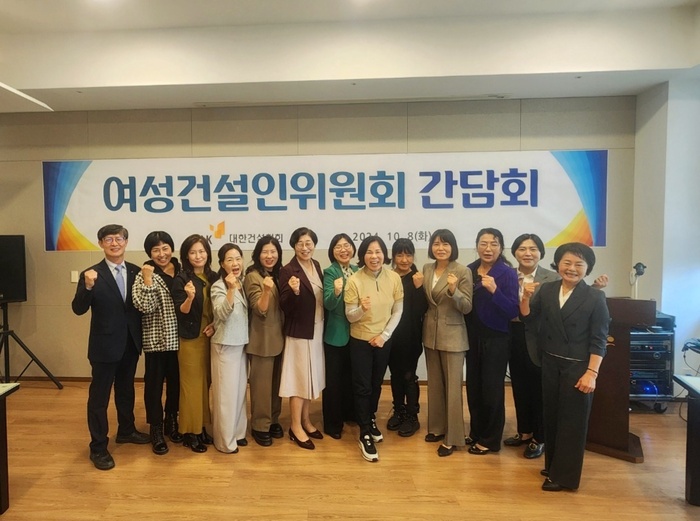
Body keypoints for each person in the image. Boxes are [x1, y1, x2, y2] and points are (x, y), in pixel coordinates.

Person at [506, 234, 608, 460]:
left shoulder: (555, 280)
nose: (527, 253)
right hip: (527, 343)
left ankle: (542, 441)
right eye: (522, 248)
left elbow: (583, 311)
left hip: (557, 350)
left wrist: (592, 372)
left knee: (551, 403)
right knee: (526, 392)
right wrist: (524, 298)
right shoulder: (515, 278)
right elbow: (527, 315)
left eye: (533, 248)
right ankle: (529, 435)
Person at [71, 224, 149, 471]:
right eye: (108, 239)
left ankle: (126, 430)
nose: (114, 243)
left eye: (119, 239)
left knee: (126, 391)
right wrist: (88, 286)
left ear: (126, 242)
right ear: (100, 243)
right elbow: (78, 308)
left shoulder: (136, 271)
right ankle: (98, 447)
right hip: (104, 346)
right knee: (99, 398)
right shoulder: (91, 274)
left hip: (130, 343)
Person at [344, 235, 404, 462]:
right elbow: (350, 317)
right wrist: (361, 309)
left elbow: (398, 310)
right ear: (363, 256)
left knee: (376, 384)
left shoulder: (394, 277)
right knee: (362, 387)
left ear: (384, 254)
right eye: (369, 252)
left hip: (382, 341)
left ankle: (370, 419)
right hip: (360, 340)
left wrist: (384, 336)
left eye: (378, 251)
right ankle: (364, 433)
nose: (374, 256)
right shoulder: (354, 280)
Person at [465, 227, 519, 455]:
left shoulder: (507, 273)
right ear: (477, 246)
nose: (488, 248)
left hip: (496, 338)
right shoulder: (469, 270)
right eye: (484, 243)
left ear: (501, 247)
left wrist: (495, 290)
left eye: (494, 244)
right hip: (472, 337)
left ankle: (490, 439)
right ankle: (476, 431)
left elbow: (513, 310)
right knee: (473, 387)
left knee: (492, 389)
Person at [422, 230, 473, 456]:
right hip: (430, 335)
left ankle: (453, 438)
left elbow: (467, 307)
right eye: (436, 244)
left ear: (453, 247)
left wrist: (454, 291)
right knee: (434, 385)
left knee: (453, 389)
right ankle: (436, 428)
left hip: (453, 336)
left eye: (445, 244)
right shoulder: (427, 269)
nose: (440, 248)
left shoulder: (462, 271)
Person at [132, 231, 183, 456]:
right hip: (156, 340)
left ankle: (172, 421)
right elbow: (145, 306)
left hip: (182, 339)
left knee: (176, 384)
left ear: (171, 248)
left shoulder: (182, 270)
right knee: (153, 386)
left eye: (165, 248)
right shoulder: (144, 274)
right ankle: (156, 429)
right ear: (149, 253)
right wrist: (148, 280)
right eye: (156, 250)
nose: (161, 254)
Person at [278, 227, 326, 450]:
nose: (305, 248)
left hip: (317, 330)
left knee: (309, 378)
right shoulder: (288, 270)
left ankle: (306, 421)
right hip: (299, 333)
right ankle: (295, 426)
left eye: (309, 243)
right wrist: (294, 292)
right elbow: (284, 306)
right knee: (298, 380)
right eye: (300, 244)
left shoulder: (316, 265)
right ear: (294, 246)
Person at [171, 234, 217, 453]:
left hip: (211, 337)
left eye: (201, 251)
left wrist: (215, 324)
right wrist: (189, 297)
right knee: (191, 386)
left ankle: (202, 427)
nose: (198, 256)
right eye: (193, 252)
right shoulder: (181, 279)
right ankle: (190, 432)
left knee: (205, 384)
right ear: (186, 256)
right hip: (190, 338)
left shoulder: (214, 276)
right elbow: (181, 311)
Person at [243, 235, 285, 447]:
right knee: (261, 387)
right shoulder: (253, 276)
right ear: (258, 255)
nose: (270, 256)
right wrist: (267, 291)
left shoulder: (279, 274)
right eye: (265, 252)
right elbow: (259, 309)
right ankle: (260, 425)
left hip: (280, 338)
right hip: (262, 340)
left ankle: (273, 419)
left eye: (273, 252)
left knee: (276, 385)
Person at [386, 238, 428, 438]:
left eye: (408, 255)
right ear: (393, 257)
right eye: (400, 255)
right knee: (395, 375)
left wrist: (419, 288)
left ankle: (412, 416)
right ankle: (398, 411)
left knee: (409, 376)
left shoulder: (417, 277)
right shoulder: (388, 277)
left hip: (411, 336)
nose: (404, 259)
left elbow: (422, 310)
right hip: (391, 335)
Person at [210, 243, 249, 454]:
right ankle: (224, 441)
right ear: (222, 264)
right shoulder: (219, 286)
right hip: (225, 346)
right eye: (230, 259)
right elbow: (221, 313)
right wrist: (231, 290)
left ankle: (238, 433)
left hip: (241, 343)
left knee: (240, 392)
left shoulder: (242, 282)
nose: (235, 263)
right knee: (226, 395)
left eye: (238, 258)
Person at [322, 233, 358, 439]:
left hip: (356, 333)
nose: (343, 250)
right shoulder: (330, 272)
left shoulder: (357, 270)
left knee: (350, 377)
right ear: (332, 251)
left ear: (352, 248)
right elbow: (328, 304)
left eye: (347, 245)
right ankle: (333, 424)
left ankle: (349, 414)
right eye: (338, 247)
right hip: (336, 334)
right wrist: (336, 292)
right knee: (333, 381)